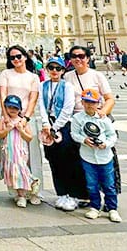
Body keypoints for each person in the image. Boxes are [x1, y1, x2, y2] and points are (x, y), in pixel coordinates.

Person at [0, 44, 43, 204]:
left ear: (25, 56)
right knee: (13, 157)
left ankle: (35, 192)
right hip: (9, 118)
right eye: (12, 57)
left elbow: (33, 99)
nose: (16, 59)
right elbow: (3, 95)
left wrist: (26, 118)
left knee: (32, 157)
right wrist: (6, 118)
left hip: (26, 119)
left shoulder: (33, 77)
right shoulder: (5, 73)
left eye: (18, 56)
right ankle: (19, 192)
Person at [38, 56, 81, 212]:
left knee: (68, 160)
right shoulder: (42, 85)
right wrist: (45, 123)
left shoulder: (67, 86)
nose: (54, 71)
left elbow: (68, 108)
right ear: (47, 70)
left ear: (63, 70)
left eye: (58, 68)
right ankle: (62, 193)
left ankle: (73, 194)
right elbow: (41, 106)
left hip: (63, 126)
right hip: (47, 126)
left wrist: (55, 127)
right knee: (53, 160)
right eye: (51, 68)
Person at [71, 89, 121, 222]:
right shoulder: (77, 118)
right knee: (91, 184)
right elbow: (74, 134)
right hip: (88, 156)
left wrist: (106, 144)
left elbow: (112, 135)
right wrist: (84, 140)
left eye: (92, 103)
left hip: (104, 157)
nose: (89, 105)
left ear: (98, 103)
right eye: (86, 102)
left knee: (109, 184)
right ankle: (95, 207)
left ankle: (112, 208)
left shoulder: (103, 118)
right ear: (82, 102)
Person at [0, 94, 36, 207]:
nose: (12, 110)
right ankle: (19, 194)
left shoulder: (22, 121)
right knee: (13, 174)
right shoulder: (3, 121)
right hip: (9, 153)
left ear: (19, 109)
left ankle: (25, 192)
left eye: (15, 108)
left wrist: (21, 130)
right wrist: (7, 129)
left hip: (20, 152)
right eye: (10, 107)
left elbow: (29, 137)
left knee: (21, 172)